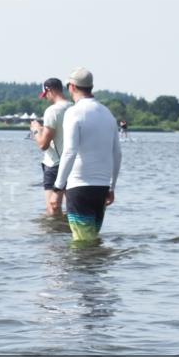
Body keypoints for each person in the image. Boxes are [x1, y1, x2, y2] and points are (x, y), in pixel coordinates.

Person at [50, 67, 122, 242]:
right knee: (92, 239)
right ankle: (96, 268)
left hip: (79, 186)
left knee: (82, 242)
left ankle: (81, 269)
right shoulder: (107, 114)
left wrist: (57, 188)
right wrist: (112, 187)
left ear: (72, 87)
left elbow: (69, 152)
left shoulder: (73, 113)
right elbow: (117, 154)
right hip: (102, 187)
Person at [29, 78, 71, 215]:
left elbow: (43, 144)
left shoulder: (52, 111)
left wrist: (36, 129)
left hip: (54, 164)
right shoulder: (74, 107)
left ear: (49, 90)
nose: (46, 98)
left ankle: (54, 235)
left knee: (52, 209)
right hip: (74, 163)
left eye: (45, 94)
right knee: (71, 209)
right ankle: (65, 233)